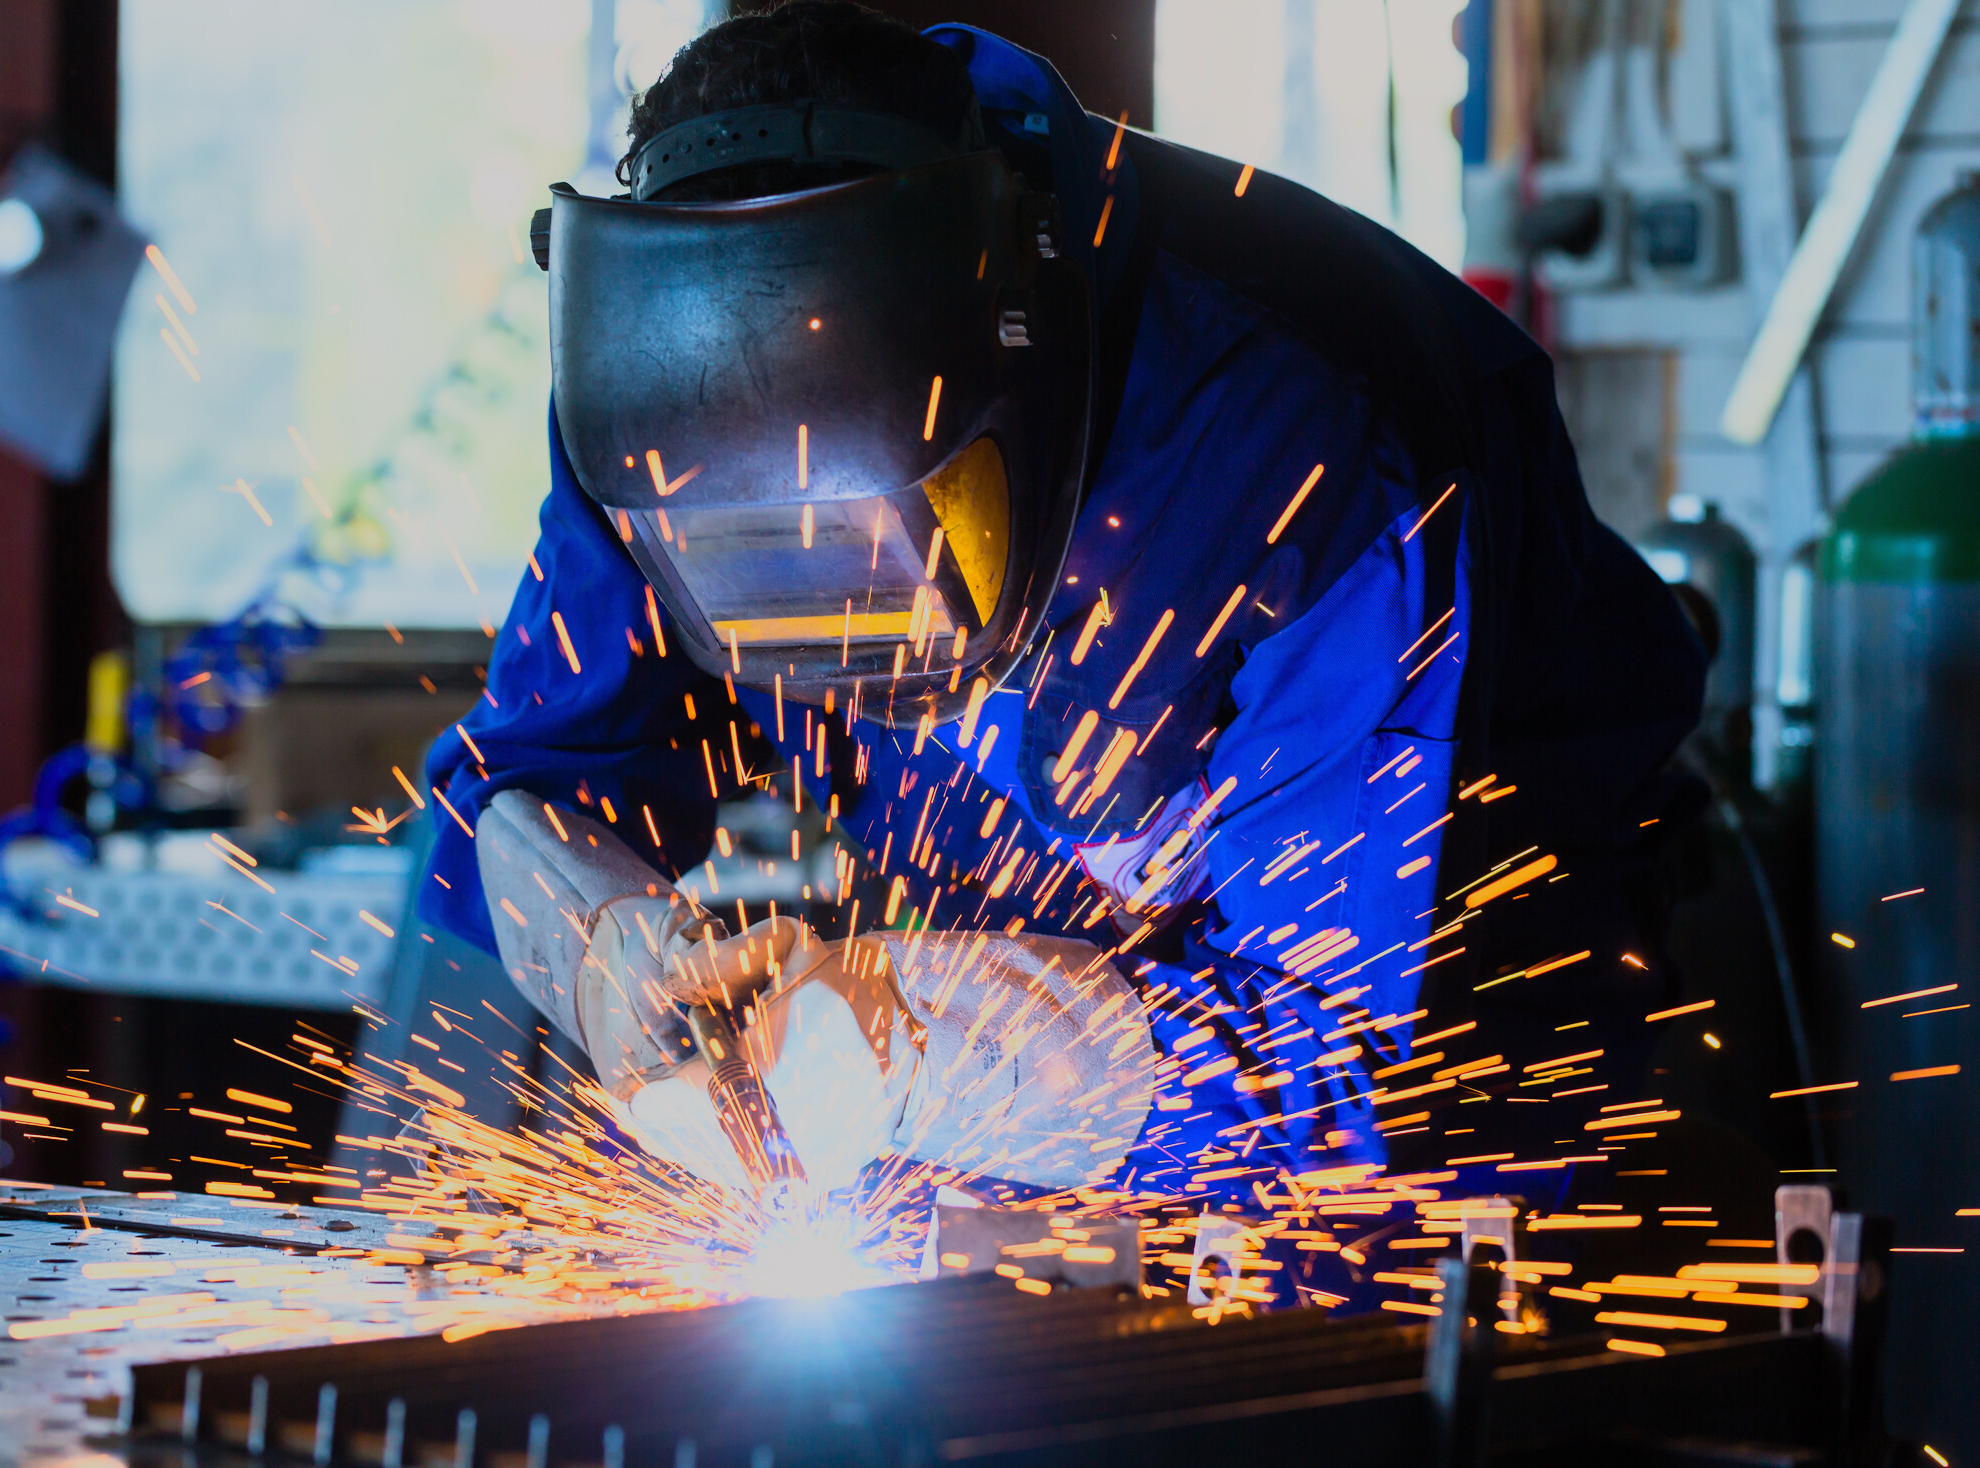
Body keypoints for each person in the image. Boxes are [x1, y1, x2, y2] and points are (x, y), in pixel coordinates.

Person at [418, 3, 1705, 1221]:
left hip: (1450, 1032)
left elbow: (1338, 1068)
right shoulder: (653, 409)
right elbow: (532, 783)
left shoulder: (1306, 459)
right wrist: (603, 947)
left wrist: (917, 1047)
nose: (837, 636)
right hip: (1005, 1014)